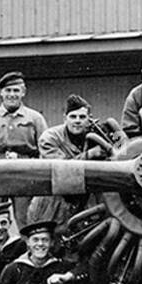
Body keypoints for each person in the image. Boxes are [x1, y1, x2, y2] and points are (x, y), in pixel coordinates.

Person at [27, 94, 120, 228]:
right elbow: (62, 168)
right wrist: (90, 154)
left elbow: (122, 150)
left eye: (82, 117)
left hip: (87, 200)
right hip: (55, 200)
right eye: (73, 117)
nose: (77, 121)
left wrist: (114, 135)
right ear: (65, 117)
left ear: (89, 119)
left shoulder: (97, 133)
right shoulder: (50, 138)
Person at [0, 71, 48, 229]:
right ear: (1, 93)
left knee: (27, 219)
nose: (12, 95)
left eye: (16, 90)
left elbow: (46, 151)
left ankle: (31, 251)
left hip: (25, 172)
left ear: (23, 92)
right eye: (8, 90)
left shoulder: (35, 118)